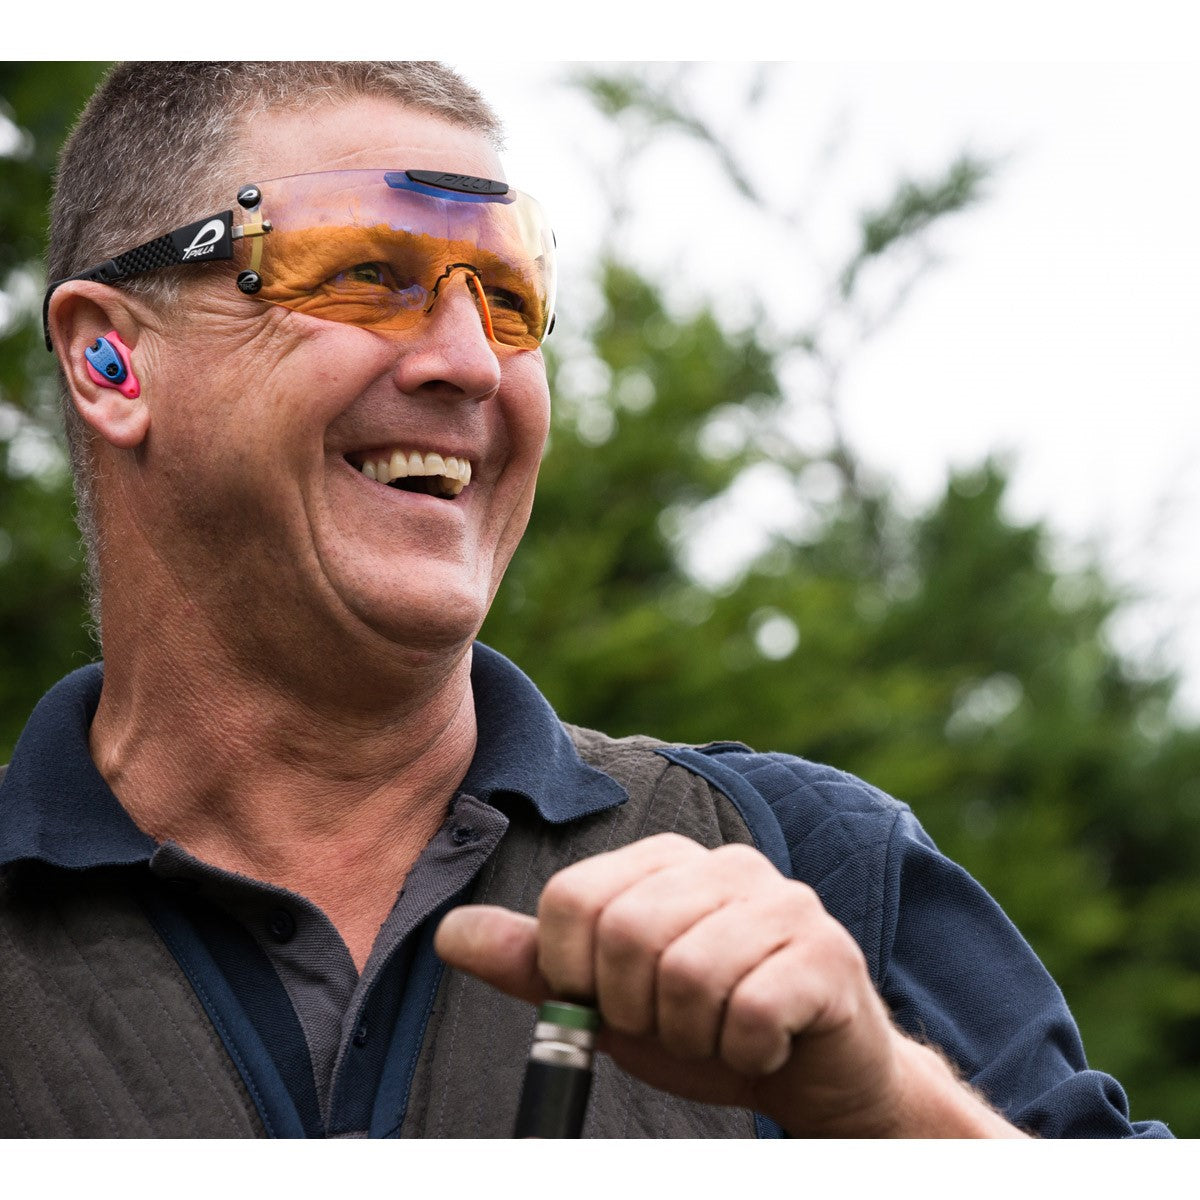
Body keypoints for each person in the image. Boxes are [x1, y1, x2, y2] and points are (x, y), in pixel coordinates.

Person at [0, 60, 1168, 1139]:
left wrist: (894, 1110)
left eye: (510, 299)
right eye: (367, 274)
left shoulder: (806, 865)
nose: (470, 361)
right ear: (112, 360)